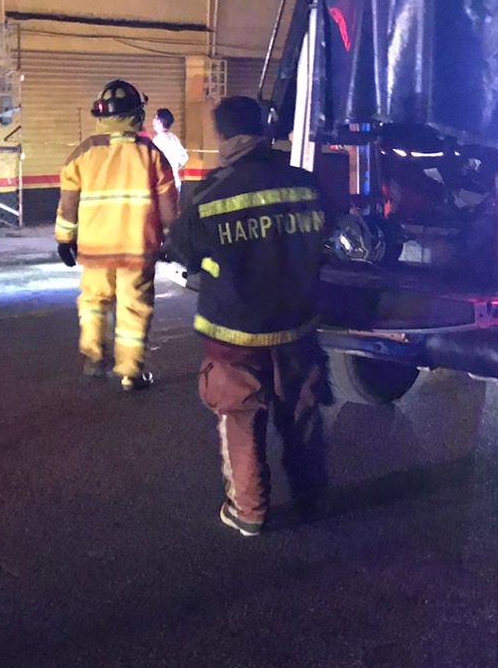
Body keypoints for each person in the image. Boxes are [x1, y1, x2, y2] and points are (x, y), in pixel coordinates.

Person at [169, 95, 329, 537]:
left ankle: (250, 511)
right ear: (263, 129)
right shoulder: (306, 184)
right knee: (302, 410)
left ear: (221, 136)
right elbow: (330, 232)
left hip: (234, 331)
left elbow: (182, 249)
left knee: (241, 416)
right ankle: (311, 499)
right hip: (297, 324)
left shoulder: (211, 194)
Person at [55, 79, 179, 392]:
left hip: (95, 247)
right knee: (134, 308)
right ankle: (130, 373)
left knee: (94, 302)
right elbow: (168, 203)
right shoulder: (151, 154)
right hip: (137, 247)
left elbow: (68, 202)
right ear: (138, 114)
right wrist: (171, 239)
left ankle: (93, 357)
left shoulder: (84, 153)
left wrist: (64, 238)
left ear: (101, 115)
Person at [149, 108, 189, 190]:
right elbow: (184, 157)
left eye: (155, 118)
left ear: (160, 121)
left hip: (163, 184)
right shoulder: (174, 138)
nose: (153, 121)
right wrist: (174, 167)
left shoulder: (158, 140)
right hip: (176, 182)